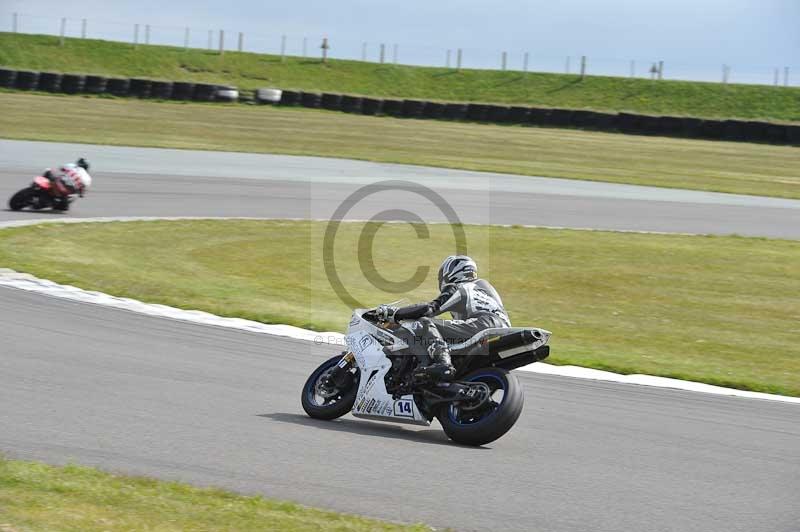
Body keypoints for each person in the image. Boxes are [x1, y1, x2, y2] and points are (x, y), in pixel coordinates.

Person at [376, 255, 511, 381]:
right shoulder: (483, 289)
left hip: (485, 324)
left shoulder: (459, 286)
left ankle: (443, 363)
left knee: (423, 323)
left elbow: (429, 309)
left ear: (450, 273)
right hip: (504, 329)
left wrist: (395, 313)